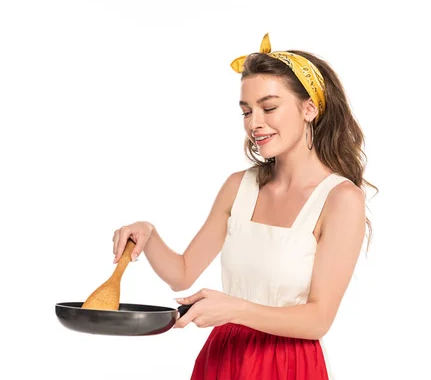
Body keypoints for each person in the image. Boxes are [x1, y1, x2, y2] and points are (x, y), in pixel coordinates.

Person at [111, 33, 376, 379]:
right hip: (224, 356)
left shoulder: (340, 199)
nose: (254, 123)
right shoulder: (240, 186)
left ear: (309, 108)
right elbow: (182, 273)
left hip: (287, 363)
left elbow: (318, 320)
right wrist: (148, 235)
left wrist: (234, 309)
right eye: (247, 111)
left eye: (269, 108)